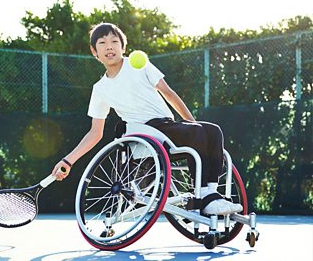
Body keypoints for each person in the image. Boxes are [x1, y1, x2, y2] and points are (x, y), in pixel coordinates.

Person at [51, 22, 242, 215]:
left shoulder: (139, 65)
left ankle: (211, 193)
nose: (109, 46)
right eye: (102, 42)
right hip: (144, 134)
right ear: (94, 51)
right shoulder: (100, 89)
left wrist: (192, 122)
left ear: (123, 47)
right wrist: (68, 161)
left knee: (212, 130)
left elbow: (168, 93)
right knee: (199, 131)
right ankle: (203, 196)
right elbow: (95, 132)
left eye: (114, 41)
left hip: (167, 127)